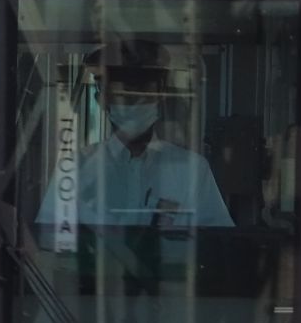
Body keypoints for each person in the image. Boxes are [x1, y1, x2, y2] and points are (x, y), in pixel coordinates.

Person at [61, 43, 233, 232]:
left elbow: (219, 246)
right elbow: (51, 246)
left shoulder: (193, 172)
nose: (135, 101)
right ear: (101, 99)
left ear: (160, 95)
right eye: (122, 93)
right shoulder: (75, 170)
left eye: (143, 91)